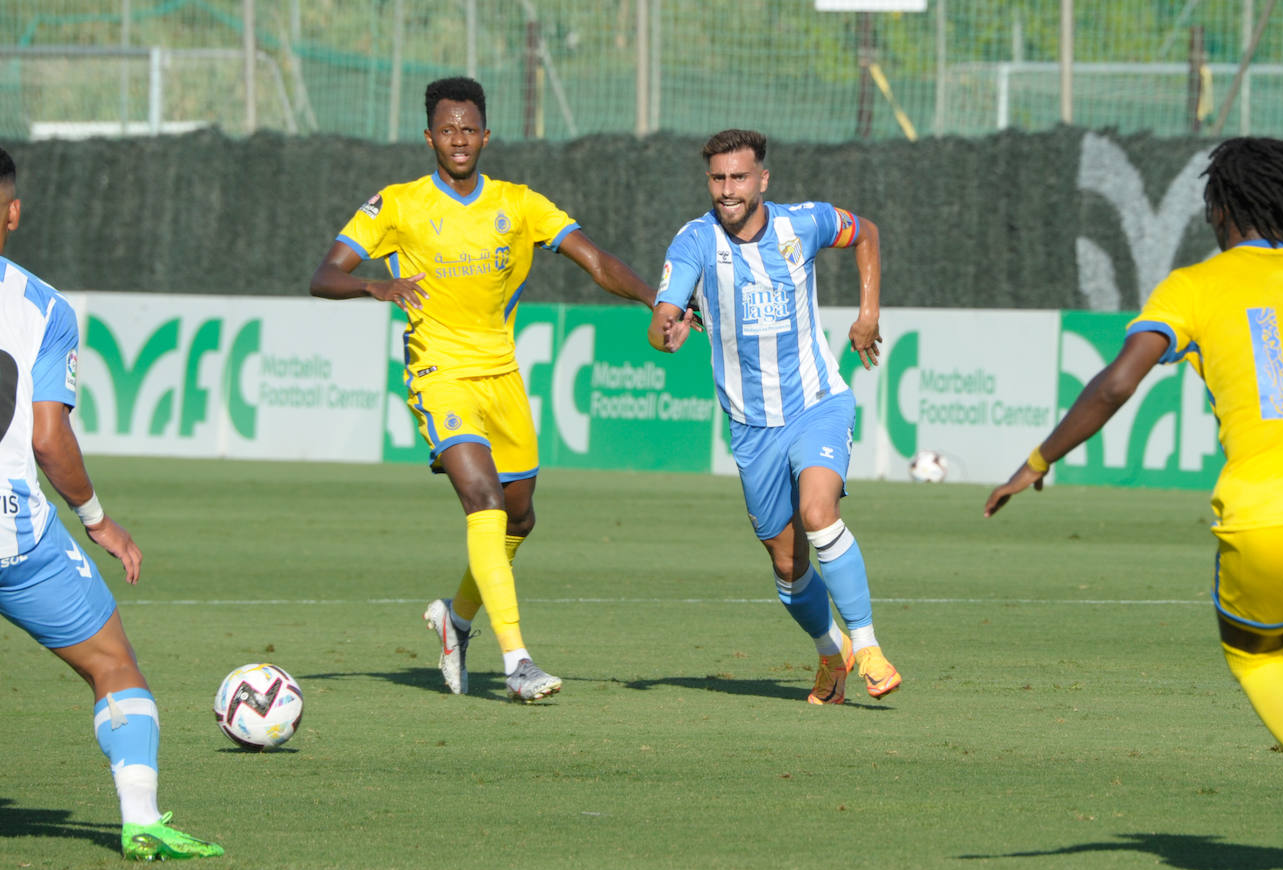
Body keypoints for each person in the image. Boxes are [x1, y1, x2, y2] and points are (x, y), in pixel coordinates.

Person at [984, 136, 1283, 870]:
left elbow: (1115, 385)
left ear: (1218, 207)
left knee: (1256, 658)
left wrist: (1036, 462)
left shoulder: (1194, 287)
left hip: (1269, 518)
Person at [309, 76, 657, 703]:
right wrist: (374, 286)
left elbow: (597, 260)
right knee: (484, 500)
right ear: (429, 137)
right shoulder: (396, 204)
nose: (459, 140)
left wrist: (656, 302)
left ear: (486, 135)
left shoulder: (519, 204)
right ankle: (517, 661)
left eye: (469, 129)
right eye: (447, 130)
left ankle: (456, 618)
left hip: (501, 374)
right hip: (438, 374)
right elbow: (323, 274)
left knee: (518, 517)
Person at [0, 148, 222, 861]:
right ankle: (141, 818)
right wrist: (98, 520)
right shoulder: (39, 305)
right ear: (13, 212)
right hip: (15, 538)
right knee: (113, 665)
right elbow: (47, 436)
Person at [648, 128, 901, 705]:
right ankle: (830, 654)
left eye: (739, 177)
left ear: (763, 179)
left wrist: (867, 313)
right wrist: (669, 328)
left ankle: (868, 648)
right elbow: (663, 319)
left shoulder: (803, 222)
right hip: (751, 427)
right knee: (788, 568)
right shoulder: (693, 241)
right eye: (718, 178)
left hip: (817, 403)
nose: (728, 189)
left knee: (818, 511)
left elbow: (867, 233)